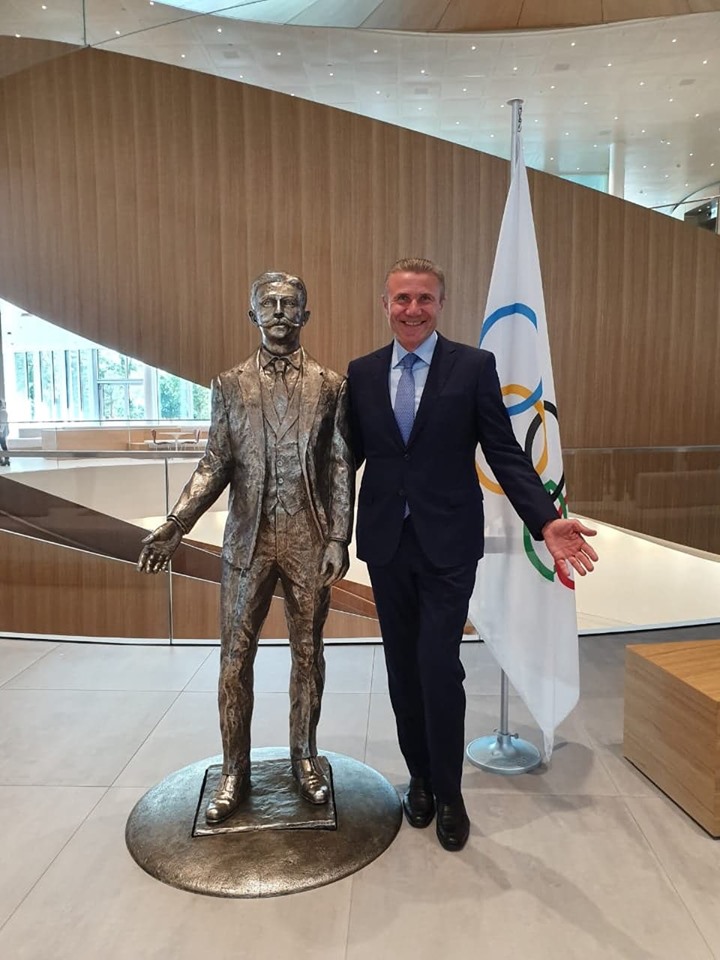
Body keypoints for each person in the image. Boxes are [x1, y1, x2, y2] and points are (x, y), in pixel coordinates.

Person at [347, 258, 597, 852]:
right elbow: (346, 457)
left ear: (441, 304)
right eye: (402, 298)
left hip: (449, 545)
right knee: (402, 669)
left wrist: (545, 519)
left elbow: (504, 451)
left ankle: (450, 793)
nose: (412, 309)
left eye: (424, 298)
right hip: (386, 544)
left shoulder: (473, 366)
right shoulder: (361, 373)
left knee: (438, 665)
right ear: (384, 305)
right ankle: (420, 779)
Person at [138, 271, 354, 823]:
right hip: (247, 542)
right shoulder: (229, 385)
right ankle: (234, 770)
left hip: (309, 543)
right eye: (268, 303)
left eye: (289, 303)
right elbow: (216, 461)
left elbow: (339, 466)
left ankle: (304, 758)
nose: (279, 312)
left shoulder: (331, 386)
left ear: (305, 315)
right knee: (235, 659)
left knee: (308, 655)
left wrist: (338, 536)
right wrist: (177, 522)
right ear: (252, 314)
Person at [0, 399, 9, 466]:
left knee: (3, 445)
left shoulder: (3, 412)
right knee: (3, 445)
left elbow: (3, 423)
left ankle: (6, 459)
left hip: (2, 431)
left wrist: (1, 431)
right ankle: (2, 459)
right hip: (1, 431)